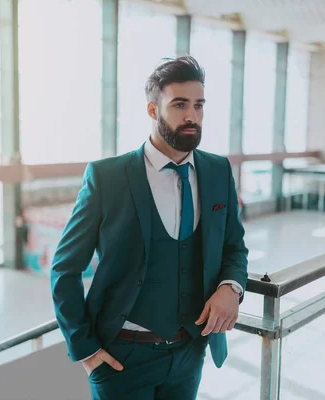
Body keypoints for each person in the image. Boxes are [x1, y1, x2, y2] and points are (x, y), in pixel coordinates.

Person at [50, 56, 249, 400]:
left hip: (190, 352)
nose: (192, 116)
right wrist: (85, 349)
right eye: (180, 105)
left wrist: (232, 287)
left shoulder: (217, 171)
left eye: (199, 105)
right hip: (122, 358)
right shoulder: (107, 177)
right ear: (153, 110)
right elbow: (64, 269)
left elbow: (234, 246)